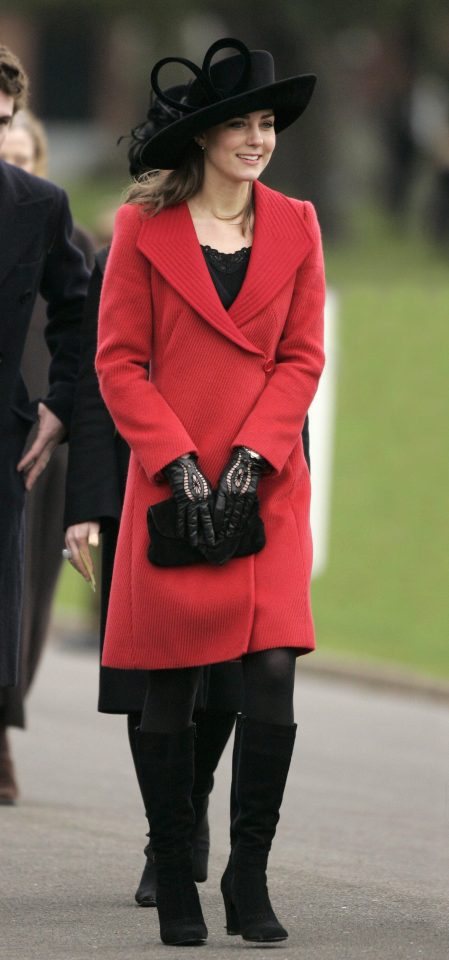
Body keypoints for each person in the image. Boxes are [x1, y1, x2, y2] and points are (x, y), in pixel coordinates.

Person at [95, 38, 325, 946]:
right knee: (171, 687)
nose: (257, 138)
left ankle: (248, 877)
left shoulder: (299, 223)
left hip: (267, 483)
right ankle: (176, 871)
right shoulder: (140, 230)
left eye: (267, 123)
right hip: (170, 483)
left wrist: (252, 459)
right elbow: (119, 362)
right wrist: (182, 464)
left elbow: (304, 357)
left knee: (271, 675)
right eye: (240, 123)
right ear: (202, 137)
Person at [0, 107, 94, 803]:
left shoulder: (42, 211)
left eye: (11, 126)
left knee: (23, 596)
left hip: (20, 439)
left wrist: (60, 404)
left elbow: (81, 312)